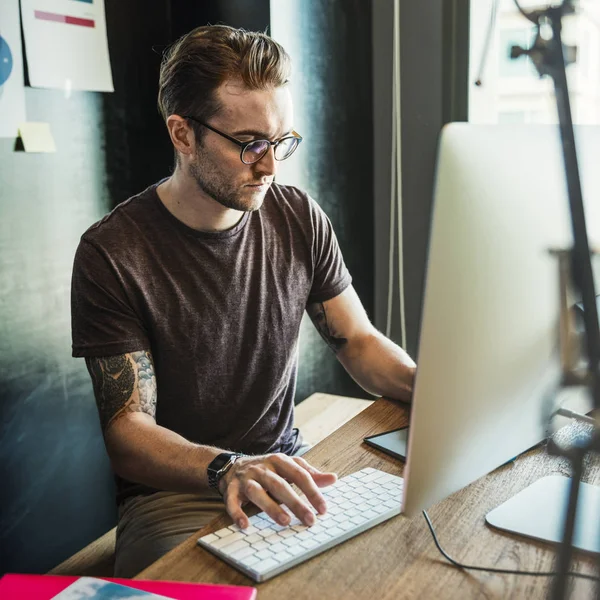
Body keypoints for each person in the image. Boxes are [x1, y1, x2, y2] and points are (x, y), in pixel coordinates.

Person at [71, 24, 416, 577]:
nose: (272, 166)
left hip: (288, 467)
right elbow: (128, 434)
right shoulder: (111, 254)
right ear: (183, 135)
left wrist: (433, 392)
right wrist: (229, 467)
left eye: (281, 142)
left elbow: (357, 340)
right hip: (175, 495)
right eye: (251, 144)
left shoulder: (299, 215)